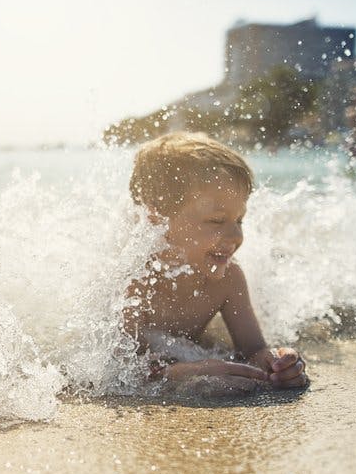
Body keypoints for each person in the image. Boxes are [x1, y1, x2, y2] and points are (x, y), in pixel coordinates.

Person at [123, 132, 309, 390]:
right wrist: (188, 373)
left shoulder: (228, 279)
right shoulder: (131, 280)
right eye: (216, 221)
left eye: (239, 220)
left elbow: (253, 350)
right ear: (156, 218)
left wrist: (276, 363)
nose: (236, 235)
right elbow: (116, 371)